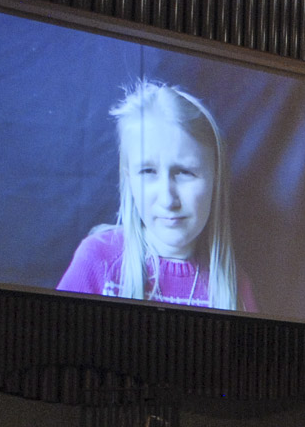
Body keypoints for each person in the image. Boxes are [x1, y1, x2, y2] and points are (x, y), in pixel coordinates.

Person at [57, 80, 255, 312]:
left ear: (216, 179)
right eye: (148, 171)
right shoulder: (98, 260)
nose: (168, 200)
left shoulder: (234, 287)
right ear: (129, 179)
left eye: (185, 172)